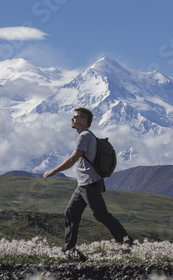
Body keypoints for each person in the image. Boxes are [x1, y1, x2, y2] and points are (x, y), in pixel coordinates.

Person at [42, 107, 131, 260]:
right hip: (84, 184)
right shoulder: (88, 136)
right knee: (71, 213)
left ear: (84, 120)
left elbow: (73, 159)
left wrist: (53, 171)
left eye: (75, 117)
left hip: (89, 183)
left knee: (101, 214)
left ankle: (128, 244)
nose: (72, 119)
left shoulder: (84, 136)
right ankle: (69, 250)